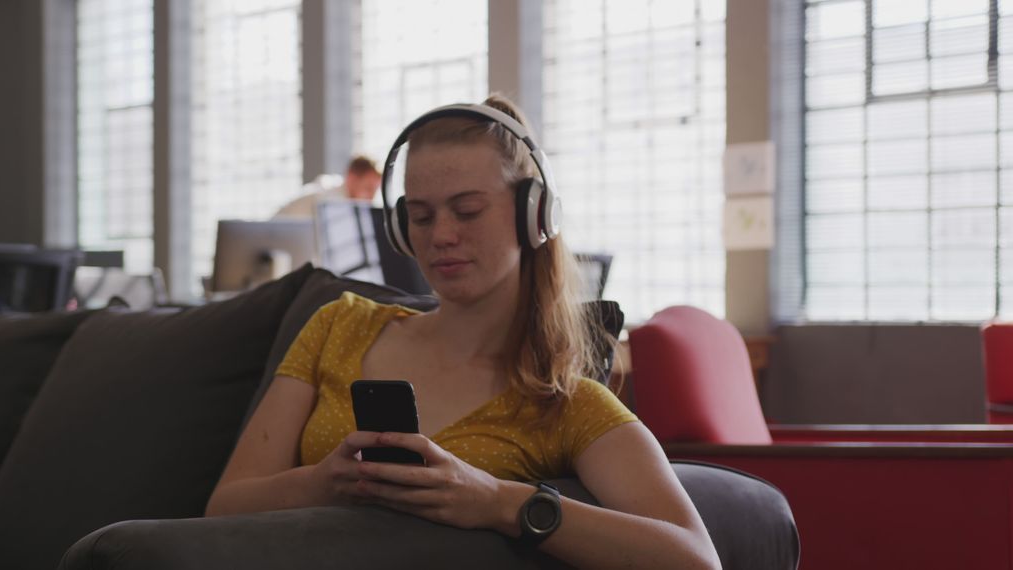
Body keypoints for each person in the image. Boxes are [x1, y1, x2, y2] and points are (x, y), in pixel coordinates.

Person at [207, 95, 721, 570]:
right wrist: (325, 483)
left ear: (533, 216)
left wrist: (498, 502)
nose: (442, 236)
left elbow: (696, 558)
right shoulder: (339, 325)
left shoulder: (561, 401)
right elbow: (222, 509)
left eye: (468, 210)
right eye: (421, 216)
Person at [272, 155, 382, 220]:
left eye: (375, 190)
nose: (371, 197)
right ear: (352, 178)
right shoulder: (325, 200)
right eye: (368, 188)